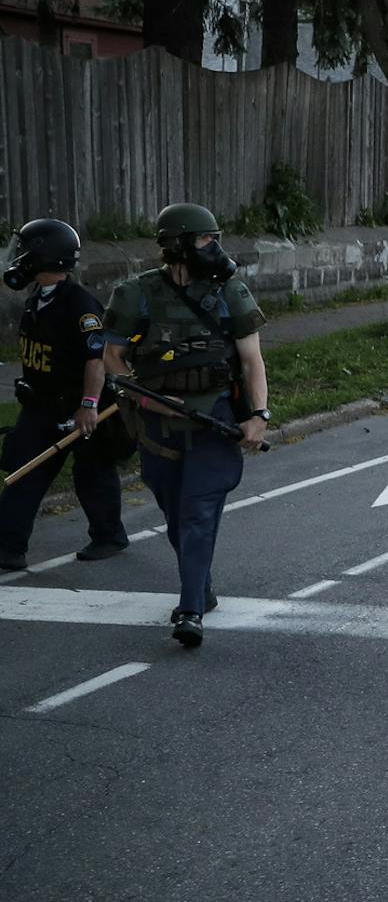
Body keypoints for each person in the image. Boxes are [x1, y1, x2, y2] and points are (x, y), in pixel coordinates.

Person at [103, 203, 269, 647]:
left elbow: (252, 360)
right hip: (155, 421)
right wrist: (146, 399)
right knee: (175, 511)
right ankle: (200, 584)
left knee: (198, 511)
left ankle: (190, 608)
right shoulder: (135, 293)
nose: (213, 249)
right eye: (203, 240)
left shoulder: (231, 292)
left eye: (215, 239)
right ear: (176, 246)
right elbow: (113, 358)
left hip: (214, 418)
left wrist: (258, 415)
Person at [1, 219, 131, 570]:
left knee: (92, 473)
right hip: (39, 405)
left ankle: (109, 535)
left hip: (77, 407)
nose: (19, 259)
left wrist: (88, 405)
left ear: (41, 255)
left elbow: (96, 359)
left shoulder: (80, 305)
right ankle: (9, 548)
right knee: (23, 471)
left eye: (24, 251)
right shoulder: (38, 299)